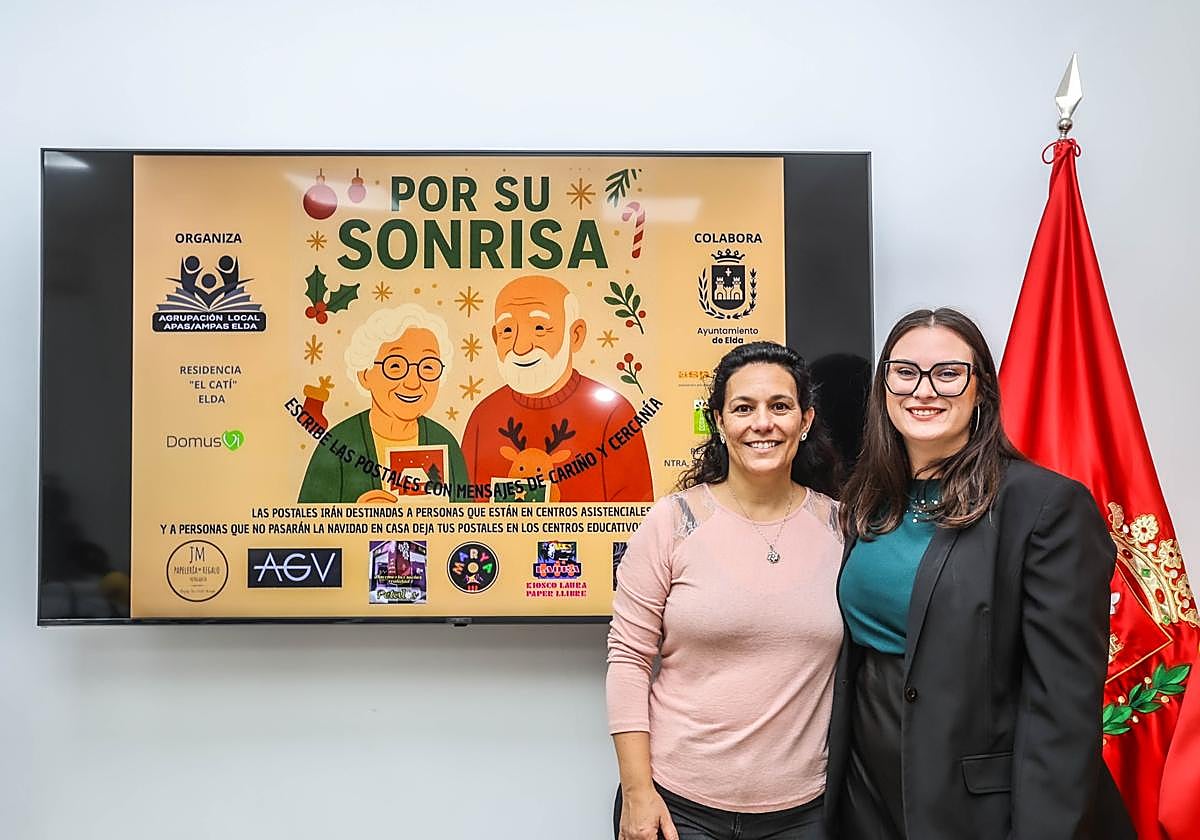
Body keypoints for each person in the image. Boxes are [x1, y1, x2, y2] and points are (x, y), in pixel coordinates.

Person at [827, 308, 1134, 839]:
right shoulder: (867, 500)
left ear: (982, 390)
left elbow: (1061, 704)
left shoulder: (1043, 507)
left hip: (981, 811)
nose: (924, 390)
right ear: (883, 390)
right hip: (868, 797)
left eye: (948, 372)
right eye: (905, 372)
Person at [606, 341, 843, 840]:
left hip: (804, 812)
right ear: (718, 421)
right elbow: (628, 659)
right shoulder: (672, 522)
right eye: (743, 408)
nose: (763, 423)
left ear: (805, 420)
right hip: (677, 807)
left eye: (780, 406)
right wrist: (637, 793)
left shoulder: (842, 529)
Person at [461, 274, 653, 501]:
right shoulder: (484, 417)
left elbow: (637, 519)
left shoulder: (615, 415)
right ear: (495, 338)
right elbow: (462, 513)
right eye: (507, 330)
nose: (521, 347)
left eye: (540, 327)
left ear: (575, 335)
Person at [299, 304, 468, 503]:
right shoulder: (337, 443)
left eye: (428, 366)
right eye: (395, 366)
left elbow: (466, 518)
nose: (413, 382)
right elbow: (307, 522)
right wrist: (356, 519)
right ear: (365, 375)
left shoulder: (444, 440)